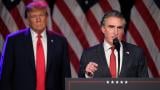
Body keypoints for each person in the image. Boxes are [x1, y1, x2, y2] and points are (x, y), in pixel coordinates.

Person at [0, 1, 71, 90]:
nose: (38, 19)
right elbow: (5, 77)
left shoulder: (60, 42)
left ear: (46, 17)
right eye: (33, 16)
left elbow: (66, 76)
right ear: (28, 19)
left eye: (41, 15)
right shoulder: (13, 41)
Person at [78, 10, 148, 78]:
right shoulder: (88, 54)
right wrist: (87, 75)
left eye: (119, 28)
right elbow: (80, 84)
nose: (115, 32)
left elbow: (144, 84)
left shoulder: (136, 53)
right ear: (103, 29)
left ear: (123, 31)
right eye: (111, 27)